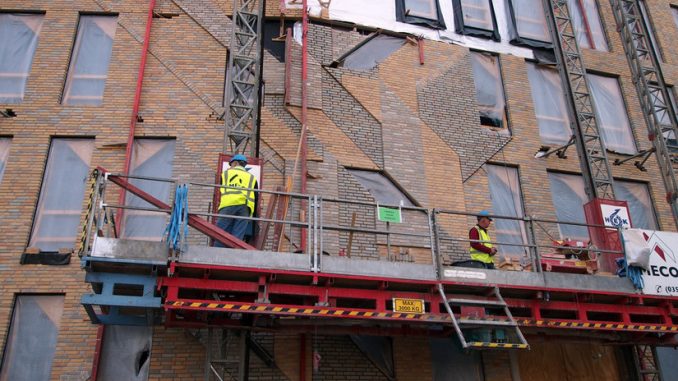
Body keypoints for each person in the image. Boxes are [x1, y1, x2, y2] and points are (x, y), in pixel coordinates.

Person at [216, 154, 258, 244]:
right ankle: (233, 255)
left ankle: (217, 254)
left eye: (231, 164)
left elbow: (220, 188)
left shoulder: (226, 174)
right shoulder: (251, 177)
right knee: (237, 236)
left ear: (235, 163)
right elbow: (256, 195)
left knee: (220, 233)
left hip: (228, 204)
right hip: (245, 207)